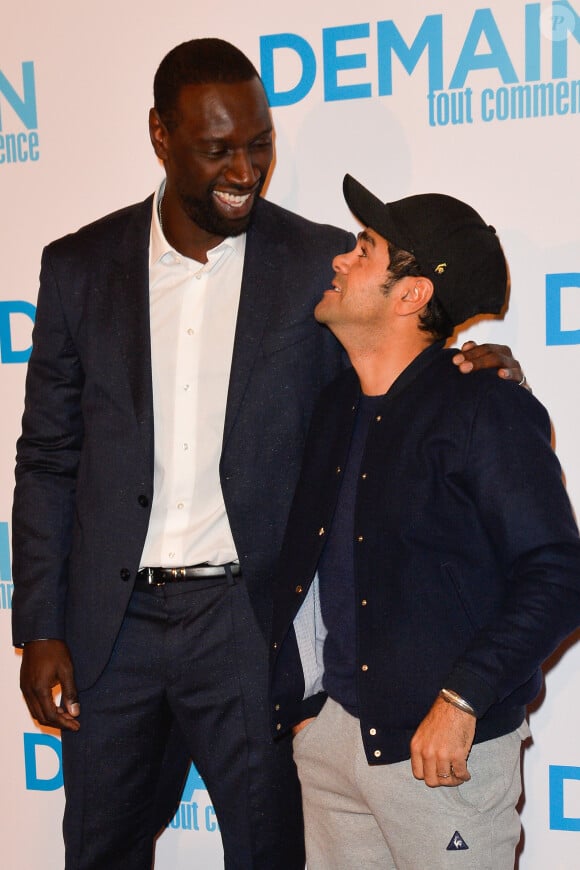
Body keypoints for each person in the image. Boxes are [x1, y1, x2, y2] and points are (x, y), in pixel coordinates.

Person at [11, 38, 522, 870]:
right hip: (111, 631)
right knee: (98, 852)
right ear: (160, 137)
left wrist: (476, 364)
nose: (246, 168)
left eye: (260, 143)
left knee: (270, 854)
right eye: (219, 148)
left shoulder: (315, 263)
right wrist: (39, 624)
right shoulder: (79, 268)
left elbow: (392, 365)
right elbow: (48, 456)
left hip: (250, 629)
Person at [269, 175, 580, 869]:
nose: (341, 260)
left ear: (412, 294)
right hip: (333, 742)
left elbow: (559, 573)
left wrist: (462, 697)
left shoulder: (485, 408)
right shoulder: (335, 405)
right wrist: (306, 710)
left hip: (439, 757)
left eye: (366, 249)